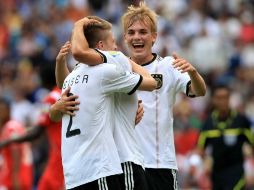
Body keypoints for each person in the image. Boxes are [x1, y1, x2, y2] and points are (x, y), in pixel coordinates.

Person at [51, 17, 157, 190]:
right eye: (113, 43)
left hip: (74, 173)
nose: (116, 48)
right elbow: (152, 83)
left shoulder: (73, 77)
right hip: (113, 163)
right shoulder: (112, 63)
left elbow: (61, 91)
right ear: (101, 46)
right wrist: (79, 24)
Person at [121, 2, 206, 190]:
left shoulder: (167, 66)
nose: (137, 37)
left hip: (161, 166)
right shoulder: (117, 70)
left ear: (154, 37)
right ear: (125, 37)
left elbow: (199, 91)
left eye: (143, 32)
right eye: (131, 32)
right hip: (127, 166)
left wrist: (193, 72)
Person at [0, 63, 79, 190]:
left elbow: (37, 131)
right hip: (71, 152)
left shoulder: (52, 98)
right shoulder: (66, 92)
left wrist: (8, 141)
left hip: (60, 155)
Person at [197, 84, 254, 190]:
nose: (222, 101)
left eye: (225, 97)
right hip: (216, 174)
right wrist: (205, 162)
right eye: (219, 98)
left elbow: (252, 144)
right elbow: (200, 149)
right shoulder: (208, 123)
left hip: (236, 173)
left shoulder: (241, 121)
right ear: (213, 100)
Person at [0, 97, 33, 190]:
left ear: (7, 110)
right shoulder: (13, 125)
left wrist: (15, 178)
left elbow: (16, 151)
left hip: (15, 178)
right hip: (20, 175)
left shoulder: (11, 127)